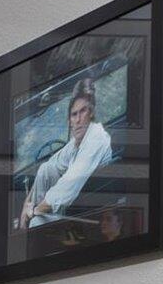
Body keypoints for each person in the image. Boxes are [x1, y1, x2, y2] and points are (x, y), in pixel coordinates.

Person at [22, 84, 114, 228]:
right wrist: (26, 206)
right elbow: (52, 163)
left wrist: (34, 212)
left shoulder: (96, 139)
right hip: (75, 202)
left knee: (36, 222)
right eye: (74, 114)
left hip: (87, 208)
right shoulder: (75, 143)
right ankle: (26, 225)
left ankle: (28, 232)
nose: (78, 120)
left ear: (91, 114)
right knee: (46, 169)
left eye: (83, 112)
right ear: (69, 121)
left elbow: (65, 188)